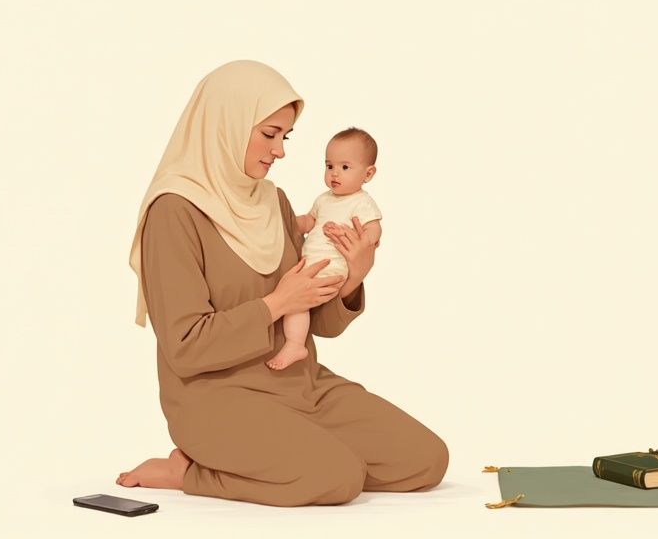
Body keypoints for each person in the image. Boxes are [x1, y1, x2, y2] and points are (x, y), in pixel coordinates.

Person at [114, 60, 448, 507]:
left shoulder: (274, 201)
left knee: (424, 460)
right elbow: (184, 345)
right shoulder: (174, 212)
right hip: (217, 399)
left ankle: (291, 453)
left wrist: (353, 277)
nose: (280, 151)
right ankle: (188, 472)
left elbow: (318, 323)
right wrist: (274, 304)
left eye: (285, 137)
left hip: (299, 384)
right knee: (337, 476)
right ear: (225, 125)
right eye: (269, 134)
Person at [266, 127, 383, 371]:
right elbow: (308, 221)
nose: (334, 174)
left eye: (345, 167)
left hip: (334, 268)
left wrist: (366, 241)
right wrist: (287, 221)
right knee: (296, 299)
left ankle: (295, 342)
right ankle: (294, 342)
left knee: (297, 302)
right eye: (329, 166)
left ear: (368, 174)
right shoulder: (324, 199)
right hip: (311, 265)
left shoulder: (362, 203)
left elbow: (373, 231)